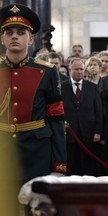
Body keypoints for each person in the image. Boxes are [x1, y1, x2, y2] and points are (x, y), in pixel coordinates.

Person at [0, 4, 67, 182]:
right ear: (2, 39)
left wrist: (59, 164)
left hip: (37, 154)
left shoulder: (47, 72)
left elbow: (56, 119)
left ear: (31, 39)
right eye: (9, 32)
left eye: (21, 33)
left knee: (35, 208)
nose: (14, 36)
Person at [61, 58, 103, 176]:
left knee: (87, 166)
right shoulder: (62, 87)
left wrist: (98, 132)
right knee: (71, 165)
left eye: (81, 69)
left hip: (88, 133)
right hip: (69, 133)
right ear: (70, 70)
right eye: (76, 69)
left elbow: (98, 111)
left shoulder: (92, 87)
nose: (79, 72)